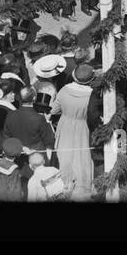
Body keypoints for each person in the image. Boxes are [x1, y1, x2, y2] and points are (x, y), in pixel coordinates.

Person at [52, 62, 96, 200]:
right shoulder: (92, 94)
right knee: (82, 156)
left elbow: (54, 109)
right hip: (83, 127)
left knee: (64, 155)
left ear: (74, 75)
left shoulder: (65, 89)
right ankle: (82, 188)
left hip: (65, 125)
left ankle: (63, 185)